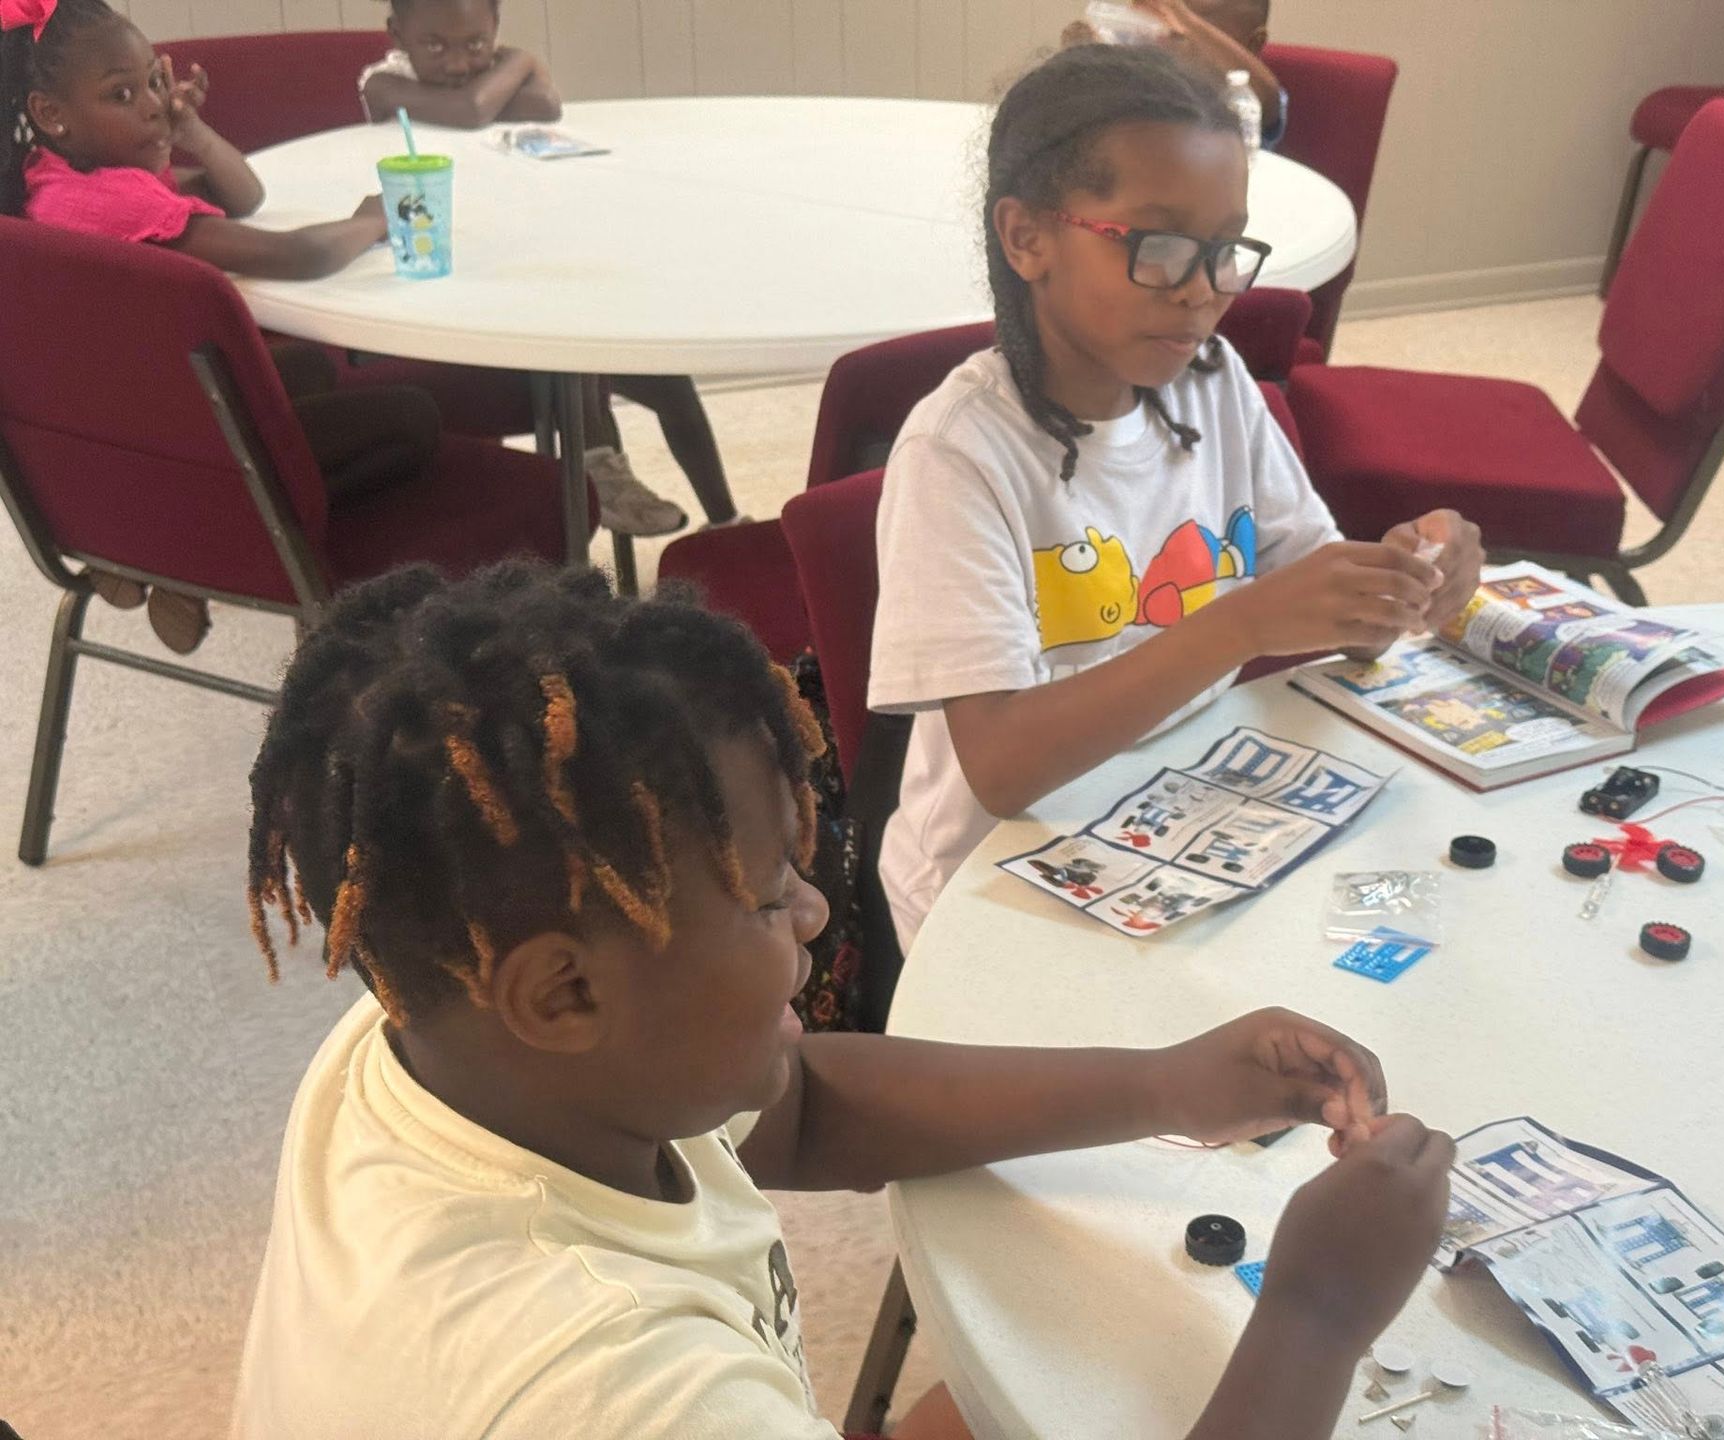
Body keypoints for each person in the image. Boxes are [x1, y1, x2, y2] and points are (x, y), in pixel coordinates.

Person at [232, 560, 1455, 1440]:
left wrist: (1168, 1082)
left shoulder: (433, 1034)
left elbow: (806, 1110)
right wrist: (1317, 1313)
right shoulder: (627, 1391)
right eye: (769, 899)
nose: (817, 914)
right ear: (560, 992)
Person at [867, 44, 1483, 950]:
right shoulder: (960, 453)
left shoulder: (1211, 382)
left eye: (1226, 250)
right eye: (1157, 248)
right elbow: (1001, 769)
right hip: (994, 889)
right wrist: (1240, 627)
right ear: (1027, 236)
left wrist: (1403, 577)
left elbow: (1331, 615)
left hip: (1181, 823)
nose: (1202, 294)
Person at [0, 0, 440, 653]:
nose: (153, 104)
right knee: (415, 417)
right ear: (51, 113)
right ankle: (188, 547)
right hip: (183, 441)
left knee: (312, 370)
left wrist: (193, 130)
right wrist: (376, 219)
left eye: (155, 80)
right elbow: (301, 255)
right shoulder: (120, 204)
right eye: (123, 94)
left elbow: (246, 195)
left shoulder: (56, 183)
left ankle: (152, 539)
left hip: (123, 435)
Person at [359, 0, 740, 538]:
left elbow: (544, 106)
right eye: (435, 46)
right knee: (569, 340)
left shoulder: (477, 72)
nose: (458, 63)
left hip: (515, 252)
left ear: (495, 30)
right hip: (449, 282)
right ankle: (598, 467)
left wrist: (508, 75)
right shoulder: (382, 84)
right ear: (397, 34)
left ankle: (725, 522)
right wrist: (518, 62)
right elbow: (470, 110)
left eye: (477, 44)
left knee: (666, 380)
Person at [1069, 0, 1288, 147]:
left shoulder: (1244, 98)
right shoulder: (1144, 75)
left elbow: (1268, 101)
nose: (1170, 36)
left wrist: (1183, 17)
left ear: (1253, 43)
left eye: (1203, 29)